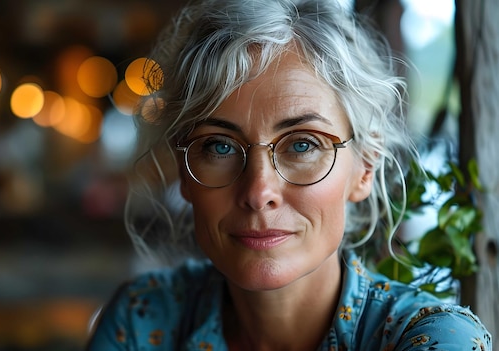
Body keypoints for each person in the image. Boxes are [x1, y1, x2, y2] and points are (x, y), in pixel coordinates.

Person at [86, 0, 492, 349]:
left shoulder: (431, 337)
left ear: (365, 166)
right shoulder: (142, 322)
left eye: (302, 145)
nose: (259, 191)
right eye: (220, 146)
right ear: (184, 172)